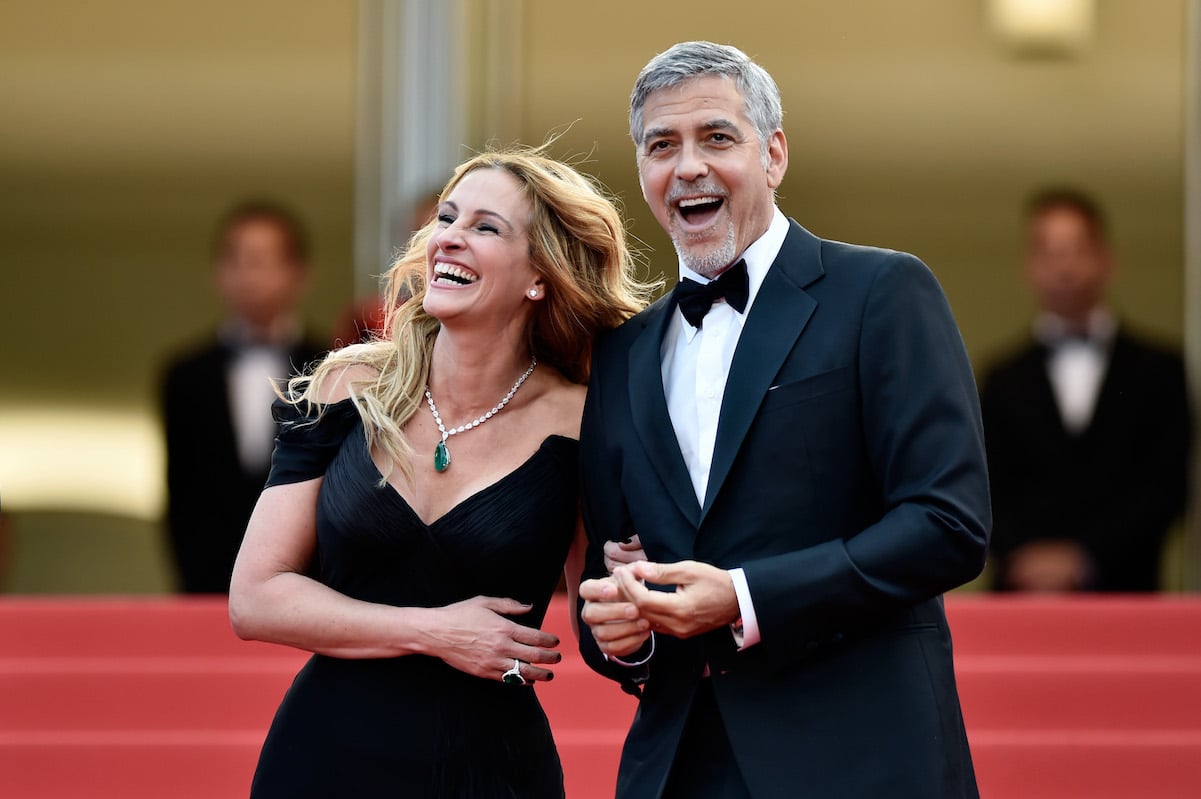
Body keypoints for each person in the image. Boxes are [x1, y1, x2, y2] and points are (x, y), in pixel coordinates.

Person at [577, 41, 990, 799]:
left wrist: (741, 596)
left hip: (861, 759)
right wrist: (619, 631)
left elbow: (947, 523)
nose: (688, 166)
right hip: (676, 769)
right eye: (661, 146)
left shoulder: (882, 291)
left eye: (717, 137)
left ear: (773, 155)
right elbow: (615, 574)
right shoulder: (621, 354)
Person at [228, 147, 651, 797]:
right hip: (320, 758)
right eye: (447, 218)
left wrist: (635, 613)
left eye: (485, 227)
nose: (449, 236)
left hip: (489, 768)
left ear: (539, 275)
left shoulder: (585, 417)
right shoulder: (349, 384)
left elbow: (606, 622)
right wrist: (435, 631)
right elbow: (255, 597)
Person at [979, 189, 1192, 591]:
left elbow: (1168, 486)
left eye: (1076, 249)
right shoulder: (1001, 376)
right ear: (1030, 266)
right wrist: (1024, 554)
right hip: (1021, 598)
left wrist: (1086, 556)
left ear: (1107, 259)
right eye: (1049, 252)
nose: (1064, 268)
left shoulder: (1161, 370)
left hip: (1127, 595)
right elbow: (979, 486)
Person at [161, 201, 326, 593]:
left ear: (299, 274)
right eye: (237, 260)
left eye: (263, 260)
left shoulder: (331, 368)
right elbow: (180, 495)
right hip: (207, 584)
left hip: (312, 583)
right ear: (219, 273)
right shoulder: (183, 376)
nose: (249, 275)